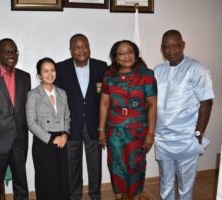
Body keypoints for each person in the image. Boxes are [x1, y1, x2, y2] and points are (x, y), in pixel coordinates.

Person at [154, 29, 214, 200]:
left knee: (185, 186)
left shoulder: (196, 68)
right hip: (163, 138)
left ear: (183, 45)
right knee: (165, 183)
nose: (171, 50)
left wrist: (198, 133)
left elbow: (207, 102)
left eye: (175, 46)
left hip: (186, 138)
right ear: (162, 49)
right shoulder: (158, 71)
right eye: (166, 47)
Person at [98, 40, 157, 200]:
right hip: (114, 129)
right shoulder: (109, 75)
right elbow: (104, 103)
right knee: (115, 165)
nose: (126, 56)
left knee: (136, 165)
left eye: (129, 51)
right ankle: (119, 197)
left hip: (138, 130)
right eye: (121, 53)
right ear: (116, 58)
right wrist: (101, 130)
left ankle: (135, 197)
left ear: (135, 54)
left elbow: (152, 105)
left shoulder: (147, 75)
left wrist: (151, 133)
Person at [55, 33, 107, 200]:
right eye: (77, 47)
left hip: (94, 126)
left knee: (95, 166)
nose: (81, 50)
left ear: (89, 47)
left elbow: (106, 98)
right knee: (72, 167)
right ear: (71, 50)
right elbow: (57, 100)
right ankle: (74, 196)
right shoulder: (61, 68)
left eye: (84, 46)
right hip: (71, 127)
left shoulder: (101, 67)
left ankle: (95, 195)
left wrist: (103, 127)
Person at [0, 38, 31, 200]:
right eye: (6, 51)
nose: (11, 55)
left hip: (19, 140)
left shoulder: (25, 77)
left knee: (21, 184)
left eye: (14, 51)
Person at [26, 57, 70, 200]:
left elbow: (67, 117)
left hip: (62, 141)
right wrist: (52, 138)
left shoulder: (62, 93)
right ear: (39, 75)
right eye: (45, 71)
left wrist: (65, 134)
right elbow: (31, 123)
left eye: (52, 70)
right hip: (43, 142)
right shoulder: (33, 95)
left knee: (62, 178)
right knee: (46, 179)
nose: (50, 74)